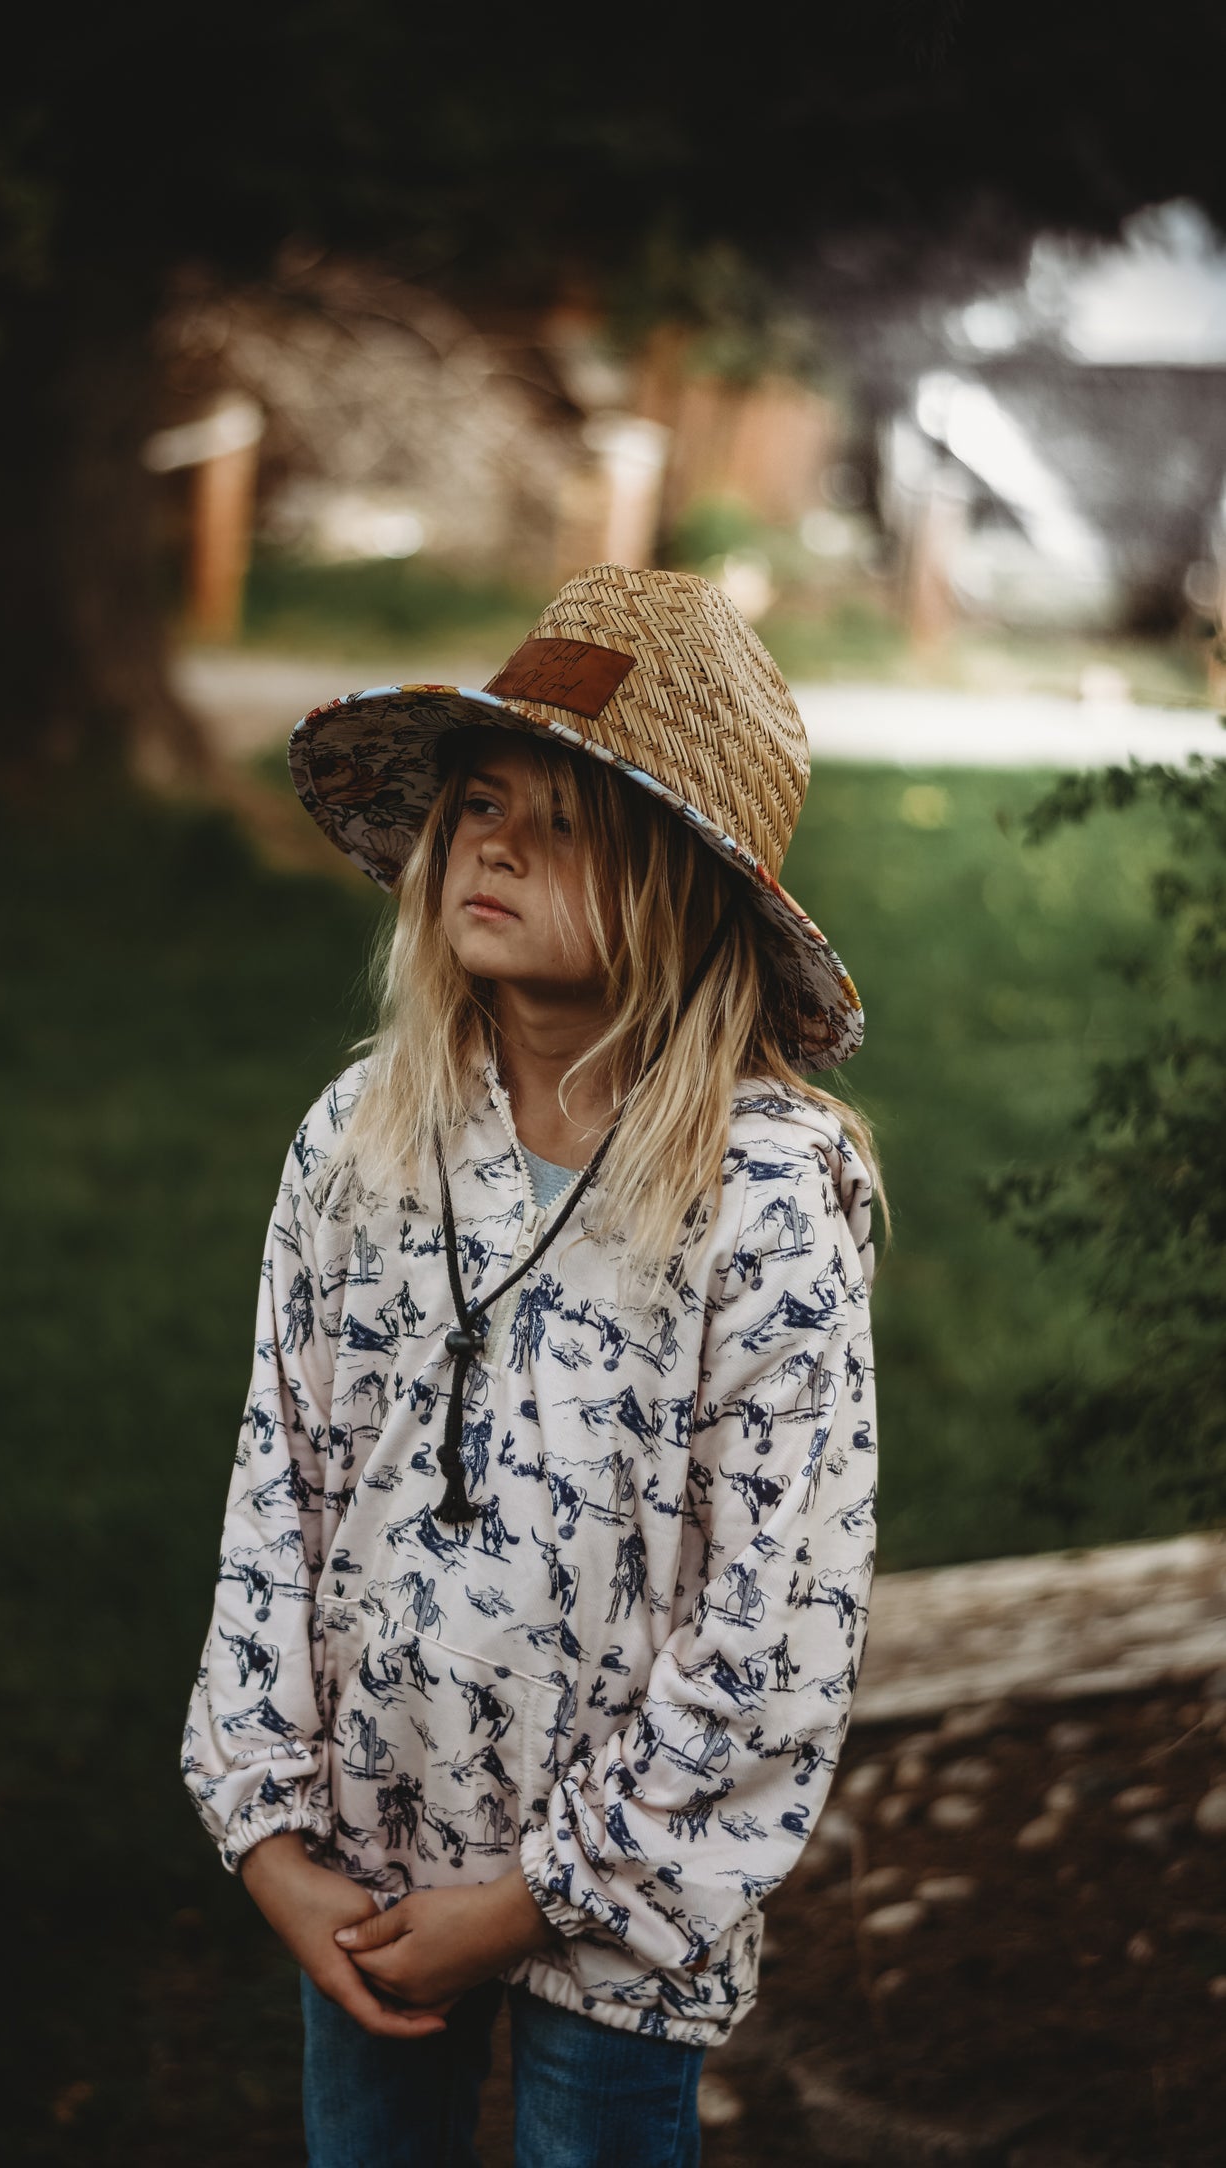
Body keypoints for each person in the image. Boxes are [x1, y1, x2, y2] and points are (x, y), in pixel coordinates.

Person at [181, 564, 883, 2167]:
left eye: (565, 816)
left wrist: (545, 1893)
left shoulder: (759, 1193)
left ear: (682, 878)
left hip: (628, 1896)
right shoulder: (363, 1140)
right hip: (365, 1852)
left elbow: (772, 1609)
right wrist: (268, 1830)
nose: (492, 839)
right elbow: (274, 1487)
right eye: (480, 799)